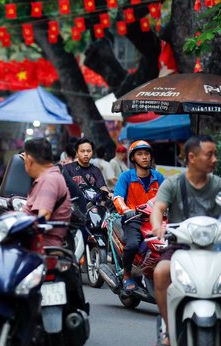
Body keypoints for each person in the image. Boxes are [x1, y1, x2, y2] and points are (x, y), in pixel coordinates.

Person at [151, 135, 221, 346]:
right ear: (192, 157)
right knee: (161, 273)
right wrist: (157, 226)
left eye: (215, 154)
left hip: (214, 247)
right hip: (180, 246)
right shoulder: (173, 183)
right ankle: (167, 327)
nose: (215, 159)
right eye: (210, 154)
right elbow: (158, 208)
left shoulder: (218, 184)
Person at [112, 140, 164, 291]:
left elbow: (170, 196)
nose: (144, 157)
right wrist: (126, 210)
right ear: (133, 158)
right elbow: (117, 198)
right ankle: (127, 274)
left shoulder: (159, 177)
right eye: (140, 154)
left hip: (156, 220)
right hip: (133, 220)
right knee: (133, 245)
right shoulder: (126, 177)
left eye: (147, 154)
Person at [22, 138, 72, 247]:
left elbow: (44, 216)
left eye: (24, 158)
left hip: (40, 247)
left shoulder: (49, 180)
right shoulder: (49, 177)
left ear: (29, 160)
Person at [62, 138, 111, 202]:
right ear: (77, 153)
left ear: (92, 152)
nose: (86, 154)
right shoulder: (68, 169)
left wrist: (108, 193)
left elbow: (102, 187)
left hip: (93, 207)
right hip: (74, 207)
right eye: (82, 151)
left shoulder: (96, 170)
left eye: (88, 151)